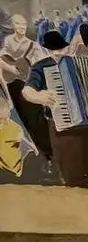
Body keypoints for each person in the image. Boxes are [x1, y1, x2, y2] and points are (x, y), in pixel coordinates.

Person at [24, 31, 88, 188]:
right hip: (62, 128)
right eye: (54, 50)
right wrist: (38, 96)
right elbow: (27, 91)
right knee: (72, 177)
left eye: (60, 49)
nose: (57, 53)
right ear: (47, 50)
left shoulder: (85, 62)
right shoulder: (42, 66)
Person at [1, 14, 50, 162]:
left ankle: (47, 155)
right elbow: (2, 58)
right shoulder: (8, 41)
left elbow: (41, 64)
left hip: (26, 86)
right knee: (19, 121)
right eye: (18, 24)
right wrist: (11, 68)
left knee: (35, 120)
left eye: (24, 24)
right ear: (13, 26)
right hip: (10, 86)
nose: (22, 27)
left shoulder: (32, 45)